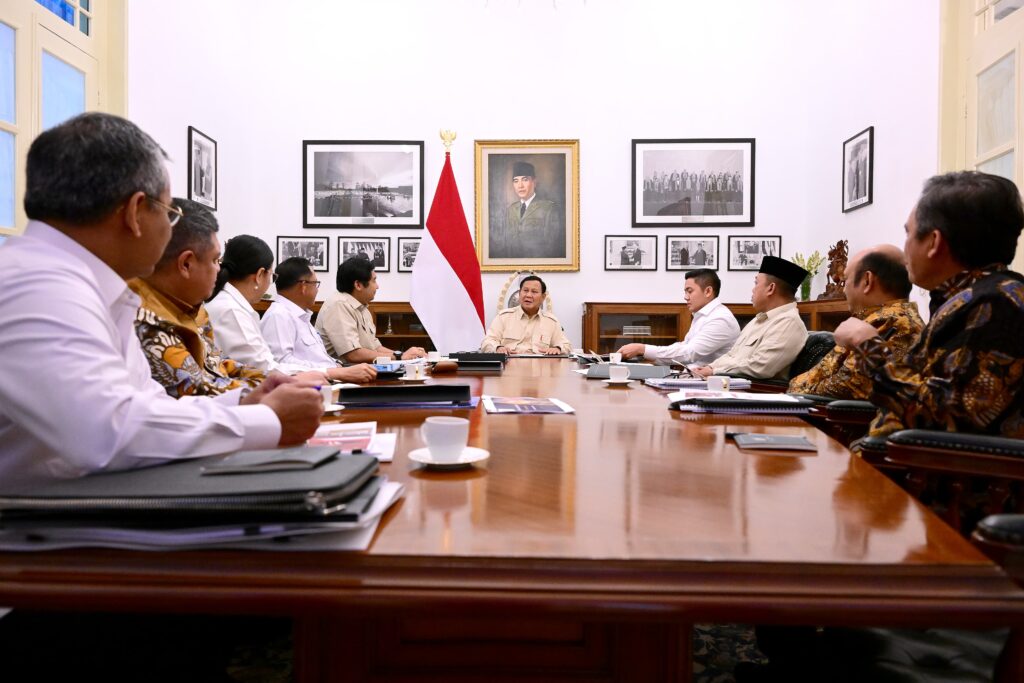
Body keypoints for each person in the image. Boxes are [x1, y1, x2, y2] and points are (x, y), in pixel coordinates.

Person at [0, 112, 322, 488]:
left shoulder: (94, 288)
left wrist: (242, 405)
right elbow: (107, 432)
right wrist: (267, 419)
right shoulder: (36, 285)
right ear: (136, 212)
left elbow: (150, 407)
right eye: (170, 214)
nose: (170, 231)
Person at [835, 171, 1024, 441]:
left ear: (934, 242)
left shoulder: (997, 305)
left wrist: (867, 345)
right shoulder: (963, 299)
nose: (905, 249)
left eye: (909, 234)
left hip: (914, 473)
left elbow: (945, 419)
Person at [130, 198, 265, 398]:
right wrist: (274, 390)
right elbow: (201, 392)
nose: (219, 269)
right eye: (215, 260)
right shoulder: (147, 320)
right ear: (186, 264)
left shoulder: (194, 309)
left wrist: (273, 381)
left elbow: (220, 365)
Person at [206, 235, 366, 381]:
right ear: (260, 275)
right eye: (271, 277)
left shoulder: (234, 306)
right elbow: (265, 368)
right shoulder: (232, 310)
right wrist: (330, 372)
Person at [788, 245, 923, 399]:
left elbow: (845, 387)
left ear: (867, 281)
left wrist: (794, 389)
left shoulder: (893, 323)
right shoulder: (872, 320)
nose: (844, 290)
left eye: (845, 281)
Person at [692, 255, 809, 380]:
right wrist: (709, 367)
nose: (753, 290)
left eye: (756, 283)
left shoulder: (789, 322)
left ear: (771, 288)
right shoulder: (759, 320)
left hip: (757, 392)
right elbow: (732, 355)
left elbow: (760, 367)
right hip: (733, 385)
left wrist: (714, 371)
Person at [261, 257, 376, 383]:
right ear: (304, 286)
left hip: (329, 380)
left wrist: (338, 366)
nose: (317, 289)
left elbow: (319, 359)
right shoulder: (278, 316)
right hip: (311, 388)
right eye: (315, 284)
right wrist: (336, 372)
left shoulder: (301, 316)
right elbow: (282, 365)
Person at [618, 269, 740, 366]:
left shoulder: (720, 319)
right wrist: (647, 354)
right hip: (696, 379)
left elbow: (688, 353)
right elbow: (684, 346)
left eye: (690, 291)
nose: (685, 297)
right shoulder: (703, 315)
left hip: (709, 384)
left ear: (708, 291)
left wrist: (642, 349)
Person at [316, 255, 426, 362]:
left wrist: (403, 356)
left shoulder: (362, 307)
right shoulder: (339, 305)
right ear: (358, 285)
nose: (377, 286)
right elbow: (353, 354)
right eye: (374, 281)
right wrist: (399, 357)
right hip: (340, 376)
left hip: (358, 372)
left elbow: (375, 348)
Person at [480, 275, 572, 355]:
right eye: (525, 290)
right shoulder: (504, 317)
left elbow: (566, 345)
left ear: (543, 297)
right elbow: (487, 341)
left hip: (541, 370)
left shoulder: (551, 321)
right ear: (520, 293)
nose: (528, 295)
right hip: (509, 368)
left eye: (534, 292)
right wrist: (497, 348)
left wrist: (557, 348)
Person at [499, 161, 564, 259]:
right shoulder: (511, 210)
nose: (520, 186)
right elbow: (506, 244)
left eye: (525, 180)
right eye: (516, 181)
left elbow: (552, 248)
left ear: (534, 182)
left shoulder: (549, 209)